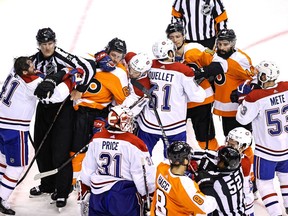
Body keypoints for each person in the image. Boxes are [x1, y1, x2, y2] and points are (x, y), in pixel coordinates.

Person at [0, 56, 81, 215]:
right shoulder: (32, 83)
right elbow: (56, 95)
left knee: (3, 162)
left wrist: (58, 73)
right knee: (17, 167)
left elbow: (38, 75)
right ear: (24, 71)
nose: (34, 66)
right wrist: (71, 79)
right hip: (14, 129)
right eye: (31, 65)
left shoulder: (13, 72)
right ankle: (2, 198)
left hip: (1, 124)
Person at [29, 27, 95, 210]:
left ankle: (62, 190)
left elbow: (89, 66)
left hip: (63, 110)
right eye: (43, 44)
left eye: (50, 43)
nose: (47, 47)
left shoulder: (61, 56)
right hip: (43, 109)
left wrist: (80, 89)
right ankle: (47, 185)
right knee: (42, 150)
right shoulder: (33, 60)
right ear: (39, 45)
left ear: (55, 43)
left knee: (60, 151)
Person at [70, 37, 130, 186]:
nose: (115, 59)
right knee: (76, 146)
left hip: (101, 113)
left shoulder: (120, 73)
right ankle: (72, 180)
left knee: (98, 147)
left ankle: (93, 179)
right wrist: (97, 59)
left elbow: (124, 101)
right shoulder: (90, 60)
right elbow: (77, 60)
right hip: (80, 111)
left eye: (119, 56)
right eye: (113, 54)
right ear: (106, 51)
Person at [78, 105, 155, 216]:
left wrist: (85, 186)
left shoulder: (97, 138)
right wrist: (149, 195)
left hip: (98, 195)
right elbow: (142, 174)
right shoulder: (135, 143)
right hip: (123, 196)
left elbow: (88, 168)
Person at [136, 38, 206, 157]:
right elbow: (198, 97)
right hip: (174, 126)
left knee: (140, 159)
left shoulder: (150, 66)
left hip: (148, 123)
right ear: (170, 53)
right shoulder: (183, 71)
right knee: (174, 164)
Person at [236, 60, 288, 215]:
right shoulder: (286, 87)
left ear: (265, 76)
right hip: (286, 147)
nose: (257, 76)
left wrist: (242, 99)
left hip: (267, 150)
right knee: (286, 180)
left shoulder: (254, 96)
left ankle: (276, 213)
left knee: (264, 184)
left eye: (260, 74)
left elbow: (242, 119)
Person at [165, 22, 228, 150]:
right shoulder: (164, 53)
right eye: (171, 37)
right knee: (176, 140)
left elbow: (222, 64)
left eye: (177, 36)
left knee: (205, 138)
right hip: (179, 104)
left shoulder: (194, 49)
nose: (175, 40)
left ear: (183, 36)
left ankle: (214, 159)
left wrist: (202, 72)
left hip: (201, 101)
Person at [195, 29, 255, 136]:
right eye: (219, 44)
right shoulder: (216, 54)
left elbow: (253, 79)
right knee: (229, 140)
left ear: (233, 44)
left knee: (243, 142)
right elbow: (204, 54)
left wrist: (200, 72)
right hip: (224, 108)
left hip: (238, 109)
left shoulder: (240, 59)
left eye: (225, 44)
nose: (222, 47)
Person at [150, 141, 217, 215]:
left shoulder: (161, 168)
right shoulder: (185, 185)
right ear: (185, 161)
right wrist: (207, 186)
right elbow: (207, 207)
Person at [191, 146, 248, 215]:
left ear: (226, 165)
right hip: (241, 211)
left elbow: (209, 205)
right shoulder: (238, 168)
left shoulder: (217, 182)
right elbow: (212, 156)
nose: (218, 160)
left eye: (221, 160)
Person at [225, 127, 254, 215]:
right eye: (228, 143)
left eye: (232, 145)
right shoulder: (222, 150)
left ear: (243, 146)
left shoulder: (245, 163)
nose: (228, 147)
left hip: (240, 199)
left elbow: (246, 190)